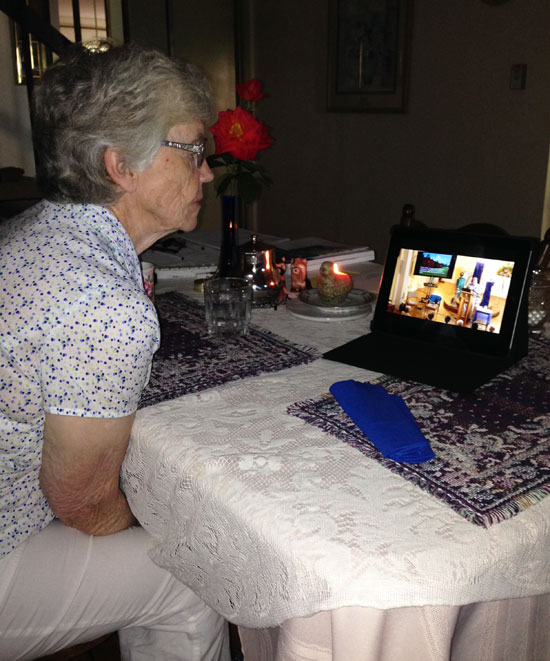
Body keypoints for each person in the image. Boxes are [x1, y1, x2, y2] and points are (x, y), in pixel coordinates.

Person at [0, 41, 229, 660]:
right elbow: (83, 504)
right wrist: (158, 518)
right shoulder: (102, 305)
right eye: (194, 150)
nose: (208, 171)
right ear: (120, 164)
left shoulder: (33, 230)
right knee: (192, 574)